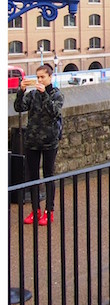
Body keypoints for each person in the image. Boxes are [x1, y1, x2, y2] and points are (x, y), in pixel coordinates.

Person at [13, 64, 63, 225]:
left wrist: (44, 95)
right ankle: (35, 210)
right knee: (32, 176)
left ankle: (49, 211)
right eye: (38, 77)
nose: (40, 80)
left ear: (50, 77)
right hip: (32, 141)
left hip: (50, 141)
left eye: (43, 77)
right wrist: (20, 91)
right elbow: (18, 107)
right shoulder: (32, 94)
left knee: (48, 175)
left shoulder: (57, 95)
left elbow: (54, 112)